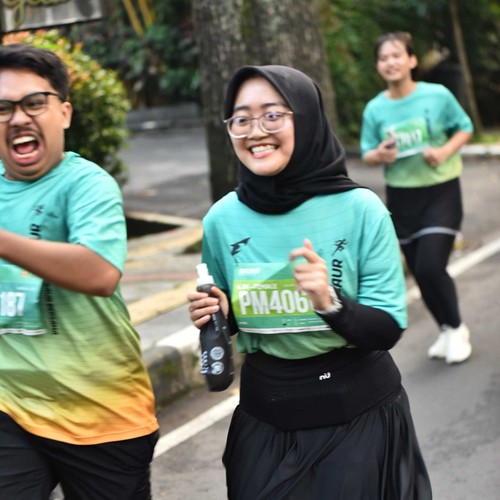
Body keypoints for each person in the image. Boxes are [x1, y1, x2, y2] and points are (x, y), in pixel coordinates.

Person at [187, 64, 432, 499]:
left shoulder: (361, 209)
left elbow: (387, 327)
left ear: (307, 117)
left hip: (359, 418)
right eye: (241, 119)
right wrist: (221, 314)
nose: (255, 131)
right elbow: (233, 316)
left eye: (272, 115)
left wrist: (330, 301)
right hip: (266, 421)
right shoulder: (221, 219)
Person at [0, 44, 159, 499]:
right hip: (12, 406)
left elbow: (99, 273)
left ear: (64, 113)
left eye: (34, 103)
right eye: (3, 108)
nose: (18, 118)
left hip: (101, 413)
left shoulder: (87, 185)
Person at [360, 32, 473, 365]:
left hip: (441, 191)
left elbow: (464, 127)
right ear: (377, 66)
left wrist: (444, 151)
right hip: (402, 198)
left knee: (430, 266)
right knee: (421, 273)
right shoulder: (375, 108)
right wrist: (380, 155)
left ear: (412, 60)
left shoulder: (437, 95)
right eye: (383, 58)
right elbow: (367, 152)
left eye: (397, 55)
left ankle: (458, 328)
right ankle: (446, 330)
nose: (390, 62)